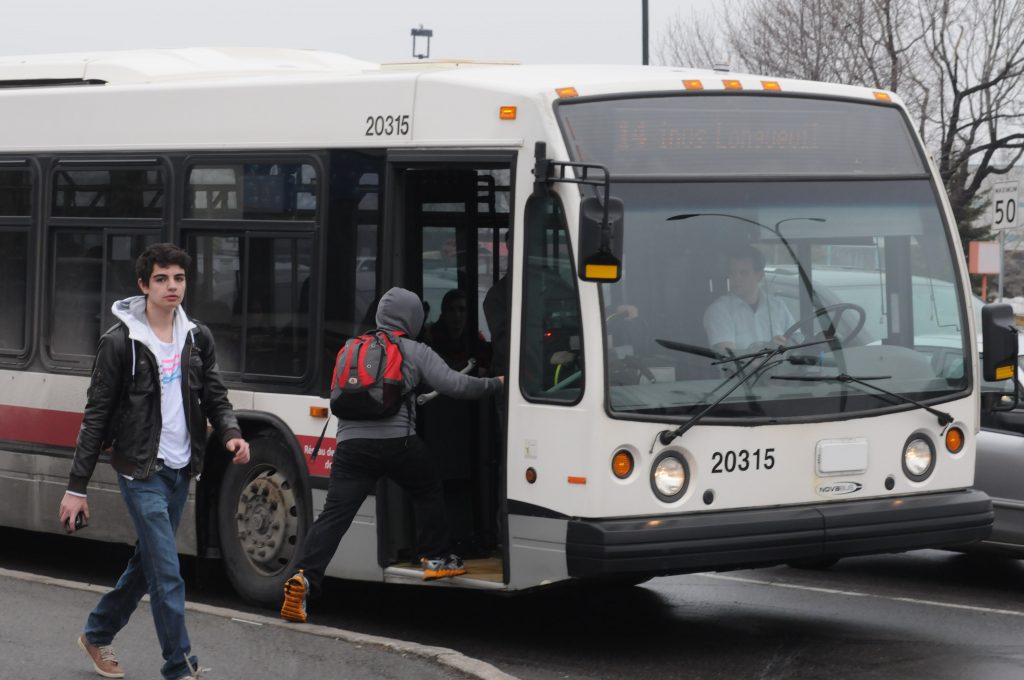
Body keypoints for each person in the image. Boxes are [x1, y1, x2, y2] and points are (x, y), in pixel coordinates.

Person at [58, 243, 250, 680]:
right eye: (162, 279)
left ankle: (97, 632)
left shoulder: (196, 336)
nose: (172, 286)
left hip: (182, 470)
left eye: (179, 278)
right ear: (144, 285)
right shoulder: (120, 341)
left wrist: (232, 433)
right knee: (168, 571)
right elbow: (96, 418)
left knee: (148, 566)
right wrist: (76, 487)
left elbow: (214, 394)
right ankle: (180, 667)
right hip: (140, 470)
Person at [280, 287, 504, 624]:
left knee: (334, 516)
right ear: (412, 317)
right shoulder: (414, 349)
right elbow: (456, 386)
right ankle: (435, 558)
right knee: (427, 488)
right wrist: (497, 384)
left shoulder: (351, 348)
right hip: (397, 443)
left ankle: (303, 577)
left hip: (351, 448)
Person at [703, 245, 795, 354]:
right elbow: (730, 360)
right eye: (732, 273)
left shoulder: (777, 306)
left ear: (759, 275)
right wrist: (768, 350)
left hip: (783, 370)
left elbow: (797, 341)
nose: (736, 278)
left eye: (743, 273)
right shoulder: (719, 310)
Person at [426, 288, 490, 371]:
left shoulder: (476, 339)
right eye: (451, 309)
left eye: (462, 309)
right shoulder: (430, 339)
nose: (457, 315)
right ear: (444, 313)